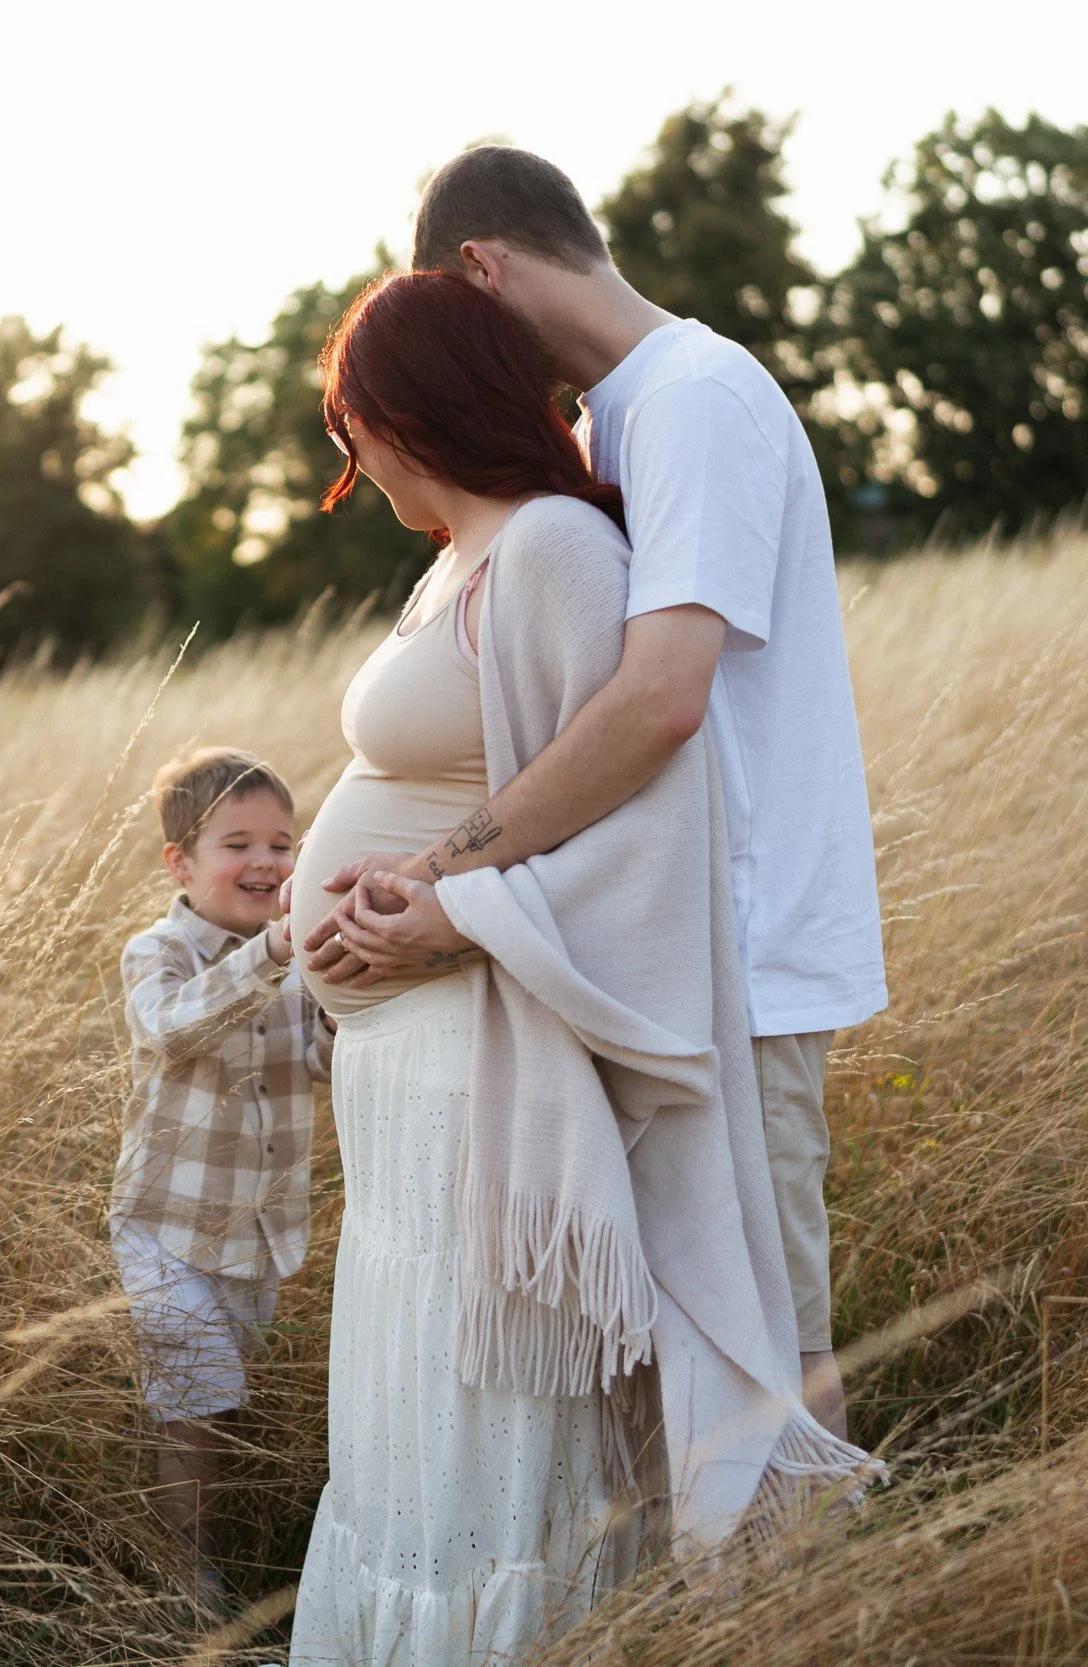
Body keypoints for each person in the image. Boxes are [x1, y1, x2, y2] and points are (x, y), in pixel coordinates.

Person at [285, 272, 868, 1667]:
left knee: (477, 1425)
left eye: (347, 432)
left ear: (393, 411)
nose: (350, 468)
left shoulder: (554, 547)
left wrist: (452, 910)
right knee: (409, 1415)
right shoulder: (458, 563)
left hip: (474, 1054)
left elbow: (643, 820)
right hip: (402, 1069)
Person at [113, 747, 333, 1613]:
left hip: (257, 1231)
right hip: (165, 1226)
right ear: (182, 862)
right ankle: (187, 1572)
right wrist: (275, 951)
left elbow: (317, 1058)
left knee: (218, 1400)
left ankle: (207, 1537)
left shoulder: (295, 956)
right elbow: (171, 1029)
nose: (266, 863)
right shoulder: (159, 951)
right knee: (196, 1398)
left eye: (283, 844)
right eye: (237, 843)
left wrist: (345, 1006)